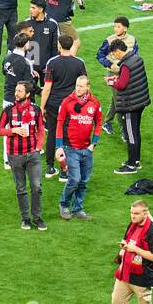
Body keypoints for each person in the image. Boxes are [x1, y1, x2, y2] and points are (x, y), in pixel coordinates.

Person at [99, 201, 153, 304]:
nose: (133, 216)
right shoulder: (132, 225)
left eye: (136, 213)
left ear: (145, 213)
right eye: (131, 213)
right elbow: (127, 240)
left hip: (141, 277)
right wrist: (124, 248)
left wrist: (135, 249)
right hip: (124, 274)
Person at [0, 80, 47, 230]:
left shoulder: (36, 110)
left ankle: (37, 218)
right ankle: (26, 218)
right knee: (21, 188)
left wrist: (38, 147)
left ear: (28, 94)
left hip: (32, 154)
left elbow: (41, 130)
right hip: (15, 155)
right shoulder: (8, 110)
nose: (16, 93)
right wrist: (13, 131)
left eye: (19, 91)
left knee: (36, 187)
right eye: (16, 90)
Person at [56, 75, 102, 220]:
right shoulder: (67, 102)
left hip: (86, 149)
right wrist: (58, 146)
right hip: (70, 148)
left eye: (81, 86)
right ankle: (64, 205)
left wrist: (94, 143)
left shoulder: (94, 103)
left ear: (88, 87)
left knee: (84, 181)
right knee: (74, 179)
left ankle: (78, 209)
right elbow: (59, 123)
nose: (78, 88)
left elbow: (99, 122)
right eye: (77, 85)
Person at [106, 37, 149, 174]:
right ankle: (136, 160)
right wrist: (117, 79)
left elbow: (122, 85)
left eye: (114, 54)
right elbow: (131, 79)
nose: (114, 56)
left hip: (130, 105)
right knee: (135, 132)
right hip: (140, 101)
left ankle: (131, 165)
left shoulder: (126, 65)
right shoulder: (136, 58)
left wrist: (111, 82)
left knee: (130, 135)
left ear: (118, 51)